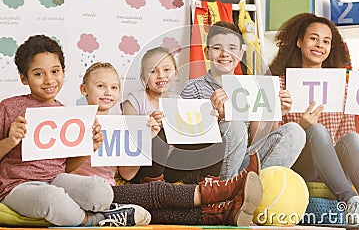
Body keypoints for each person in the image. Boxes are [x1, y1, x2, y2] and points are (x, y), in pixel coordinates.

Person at [74, 61, 264, 226]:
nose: (108, 92)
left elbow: (127, 172)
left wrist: (145, 140)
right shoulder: (74, 124)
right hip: (86, 192)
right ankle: (226, 191)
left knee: (153, 213)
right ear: (84, 89)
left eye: (114, 87)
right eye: (100, 86)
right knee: (156, 192)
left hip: (113, 192)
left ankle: (223, 214)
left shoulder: (123, 124)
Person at [268, 13, 359, 226]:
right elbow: (274, 143)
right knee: (317, 131)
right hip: (301, 164)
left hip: (333, 167)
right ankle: (350, 201)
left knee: (354, 137)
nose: (320, 45)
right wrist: (302, 128)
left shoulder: (341, 85)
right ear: (299, 42)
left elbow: (346, 140)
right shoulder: (281, 84)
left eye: (326, 41)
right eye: (313, 38)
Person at [0, 35, 134, 227]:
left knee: (101, 191)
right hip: (18, 185)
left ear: (63, 72)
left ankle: (92, 212)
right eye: (38, 74)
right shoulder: (8, 107)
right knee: (51, 197)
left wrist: (89, 146)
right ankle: (99, 219)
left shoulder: (66, 112)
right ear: (24, 78)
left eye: (55, 71)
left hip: (56, 179)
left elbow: (66, 167)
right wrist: (10, 141)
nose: (49, 80)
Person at [181, 21, 306, 181]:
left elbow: (256, 140)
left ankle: (255, 189)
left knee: (295, 131)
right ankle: (225, 193)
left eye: (232, 48)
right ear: (207, 52)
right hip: (210, 167)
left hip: (243, 163)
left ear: (240, 54)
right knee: (234, 125)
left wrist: (275, 112)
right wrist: (217, 119)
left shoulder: (251, 87)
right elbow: (186, 143)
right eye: (217, 48)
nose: (225, 54)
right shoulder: (193, 88)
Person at [121, 47, 178, 183]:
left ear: (176, 73)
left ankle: (209, 188)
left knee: (213, 139)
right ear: (143, 77)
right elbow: (129, 139)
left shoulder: (179, 102)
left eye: (167, 70)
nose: (161, 75)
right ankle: (153, 186)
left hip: (171, 167)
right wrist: (148, 126)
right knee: (159, 134)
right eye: (153, 71)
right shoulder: (135, 101)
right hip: (143, 168)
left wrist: (208, 119)